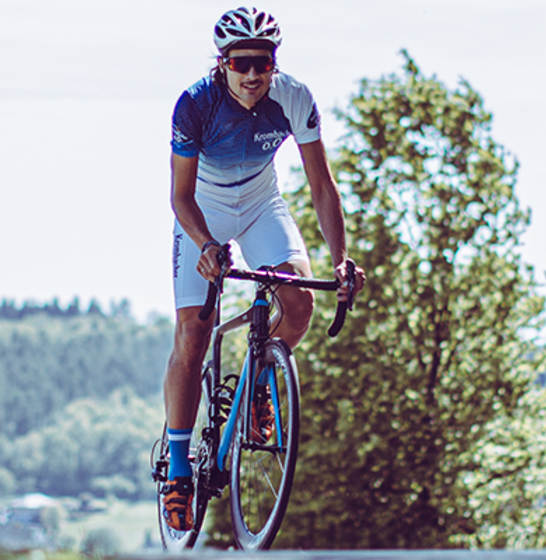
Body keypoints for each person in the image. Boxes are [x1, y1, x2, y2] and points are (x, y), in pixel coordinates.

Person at [160, 7, 365, 531]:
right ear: (222, 63)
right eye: (241, 62)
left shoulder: (294, 98)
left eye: (264, 62)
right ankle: (181, 466)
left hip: (260, 206)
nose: (253, 74)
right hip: (202, 212)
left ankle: (257, 385)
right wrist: (206, 245)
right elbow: (180, 196)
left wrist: (340, 259)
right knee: (193, 332)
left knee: (299, 300)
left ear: (276, 63)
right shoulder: (194, 105)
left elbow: (322, 187)